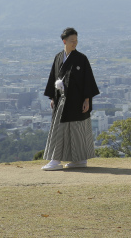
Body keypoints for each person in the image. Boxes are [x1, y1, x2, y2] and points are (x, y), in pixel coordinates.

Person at [42, 27, 100, 170]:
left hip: (77, 101)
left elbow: (88, 81)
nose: (75, 43)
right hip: (62, 100)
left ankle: (79, 160)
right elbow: (53, 78)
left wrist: (87, 100)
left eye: (76, 41)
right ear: (64, 41)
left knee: (78, 130)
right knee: (59, 130)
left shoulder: (82, 59)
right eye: (72, 41)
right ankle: (56, 160)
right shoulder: (58, 57)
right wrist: (52, 97)